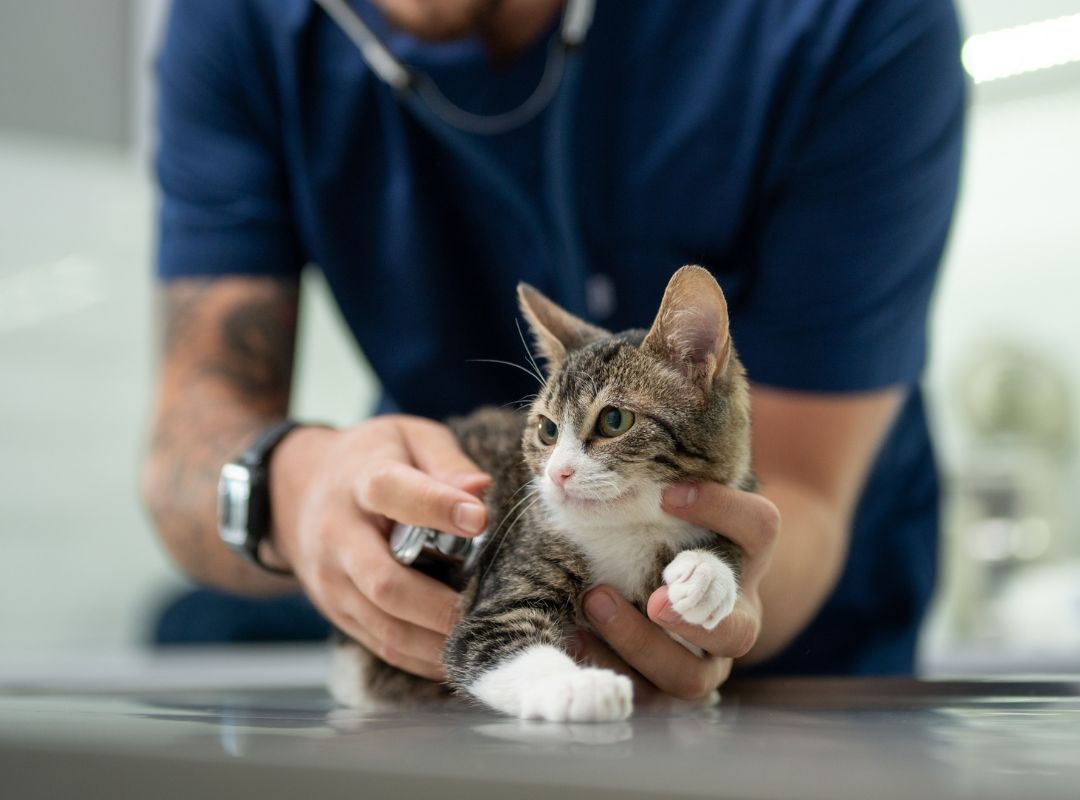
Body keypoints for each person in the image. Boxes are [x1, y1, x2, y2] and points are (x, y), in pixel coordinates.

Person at [140, 0, 966, 697]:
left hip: (803, 678)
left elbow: (799, 496)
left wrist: (699, 604)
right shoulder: (235, 22)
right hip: (462, 642)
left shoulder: (851, 22)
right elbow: (185, 447)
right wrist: (290, 487)